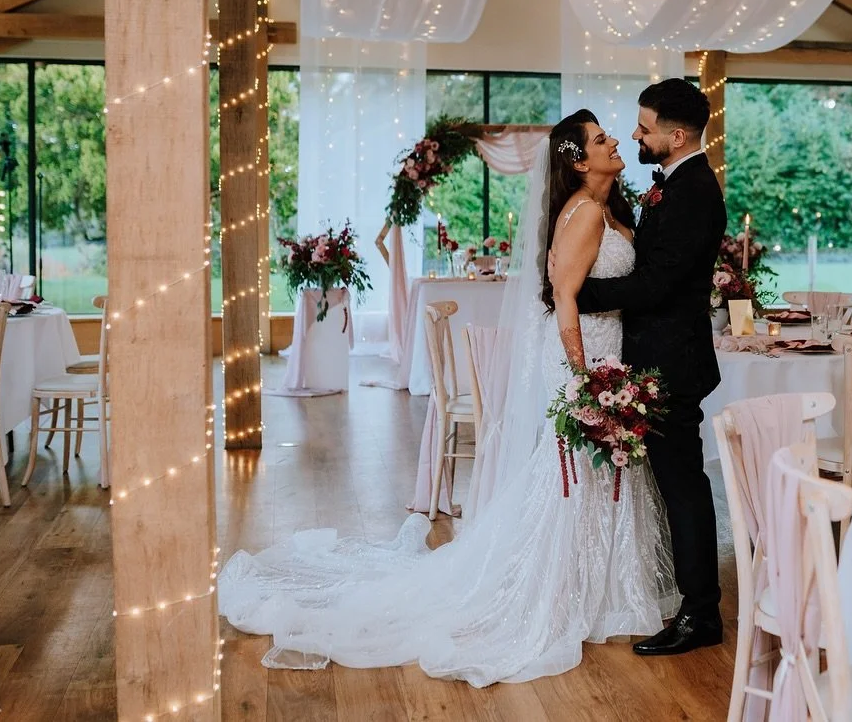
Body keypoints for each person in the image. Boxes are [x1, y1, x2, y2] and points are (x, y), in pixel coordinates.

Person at [217, 110, 679, 686]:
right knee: (574, 475)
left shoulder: (609, 209)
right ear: (579, 160)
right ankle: (564, 590)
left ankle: (604, 590)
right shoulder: (584, 213)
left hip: (608, 351)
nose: (615, 142)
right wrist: (586, 380)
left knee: (589, 476)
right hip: (584, 359)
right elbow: (565, 300)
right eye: (602, 139)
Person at [569, 78, 727, 656]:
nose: (635, 134)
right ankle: (677, 593)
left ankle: (701, 614)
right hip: (655, 357)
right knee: (669, 484)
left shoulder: (694, 193)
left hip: (672, 363)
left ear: (676, 135)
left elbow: (657, 283)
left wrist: (574, 294)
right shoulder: (673, 185)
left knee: (683, 485)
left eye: (644, 126)